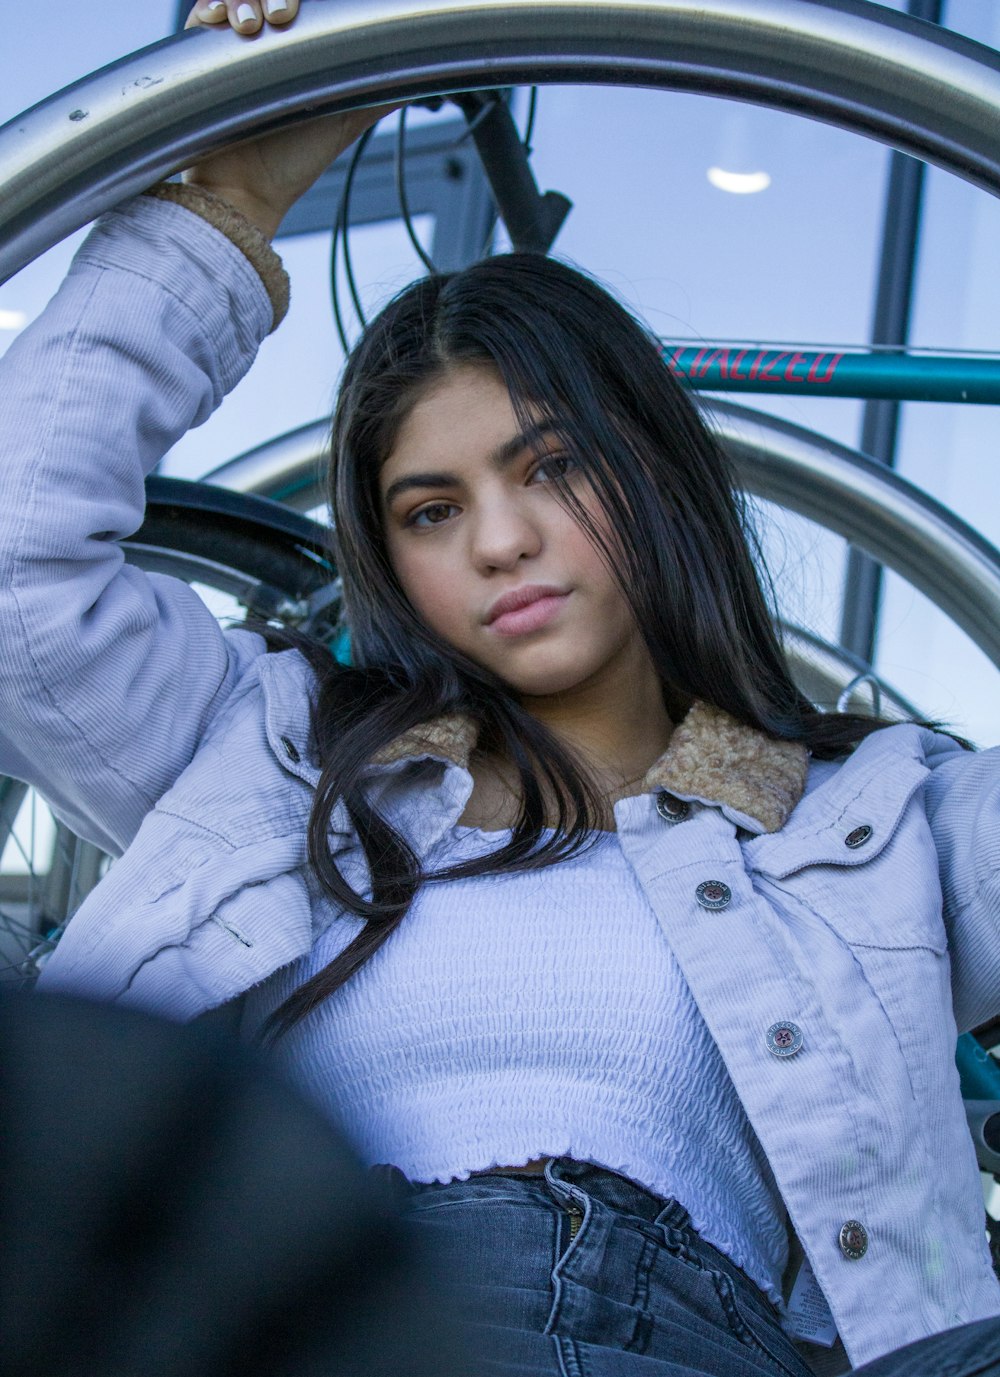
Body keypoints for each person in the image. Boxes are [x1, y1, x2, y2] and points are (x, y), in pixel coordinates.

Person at [1, 1, 999, 1374]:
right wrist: (234, 197)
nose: (500, 540)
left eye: (550, 467)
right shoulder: (266, 752)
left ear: (651, 465)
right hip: (312, 1325)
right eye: (429, 508)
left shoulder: (875, 815)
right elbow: (18, 551)